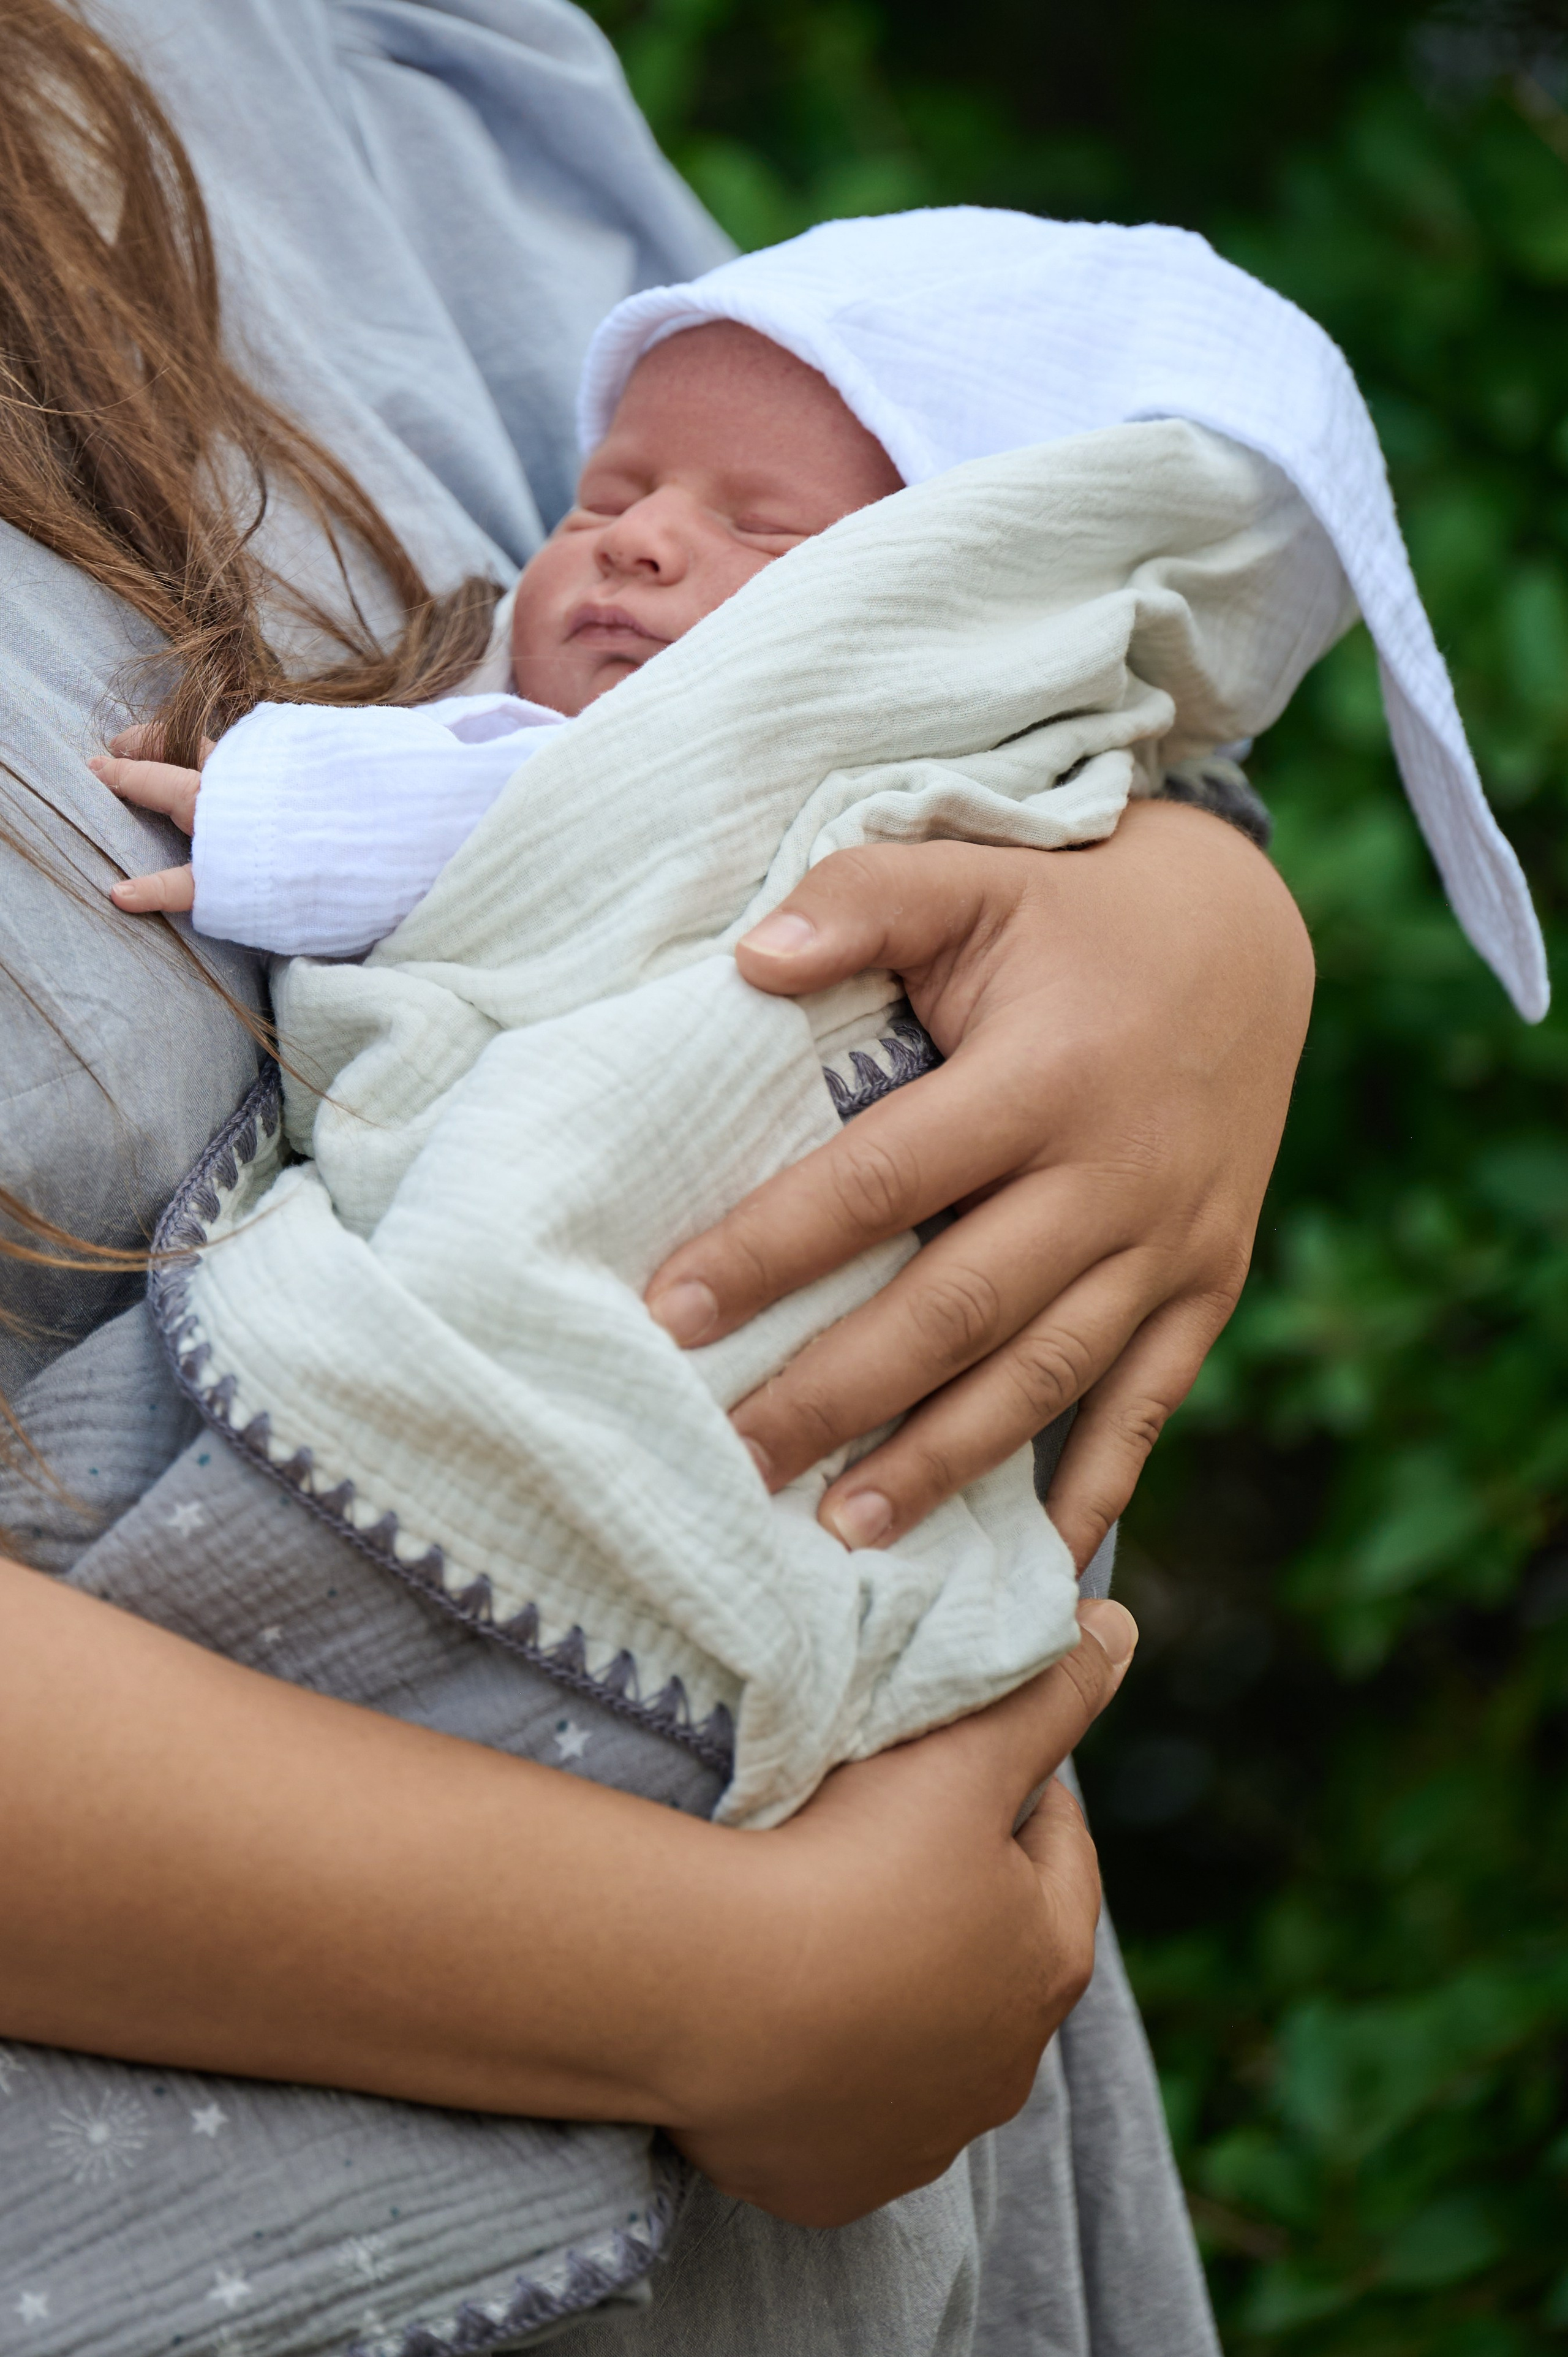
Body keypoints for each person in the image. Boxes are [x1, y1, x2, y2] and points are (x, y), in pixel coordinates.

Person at [0, 4, 1356, 2351]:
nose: (628, 543)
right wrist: (738, 1984)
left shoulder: (376, 48)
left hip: (885, 2011)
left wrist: (1185, 916)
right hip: (636, 1981)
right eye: (614, 508)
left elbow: (967, 599)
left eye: (710, 526)